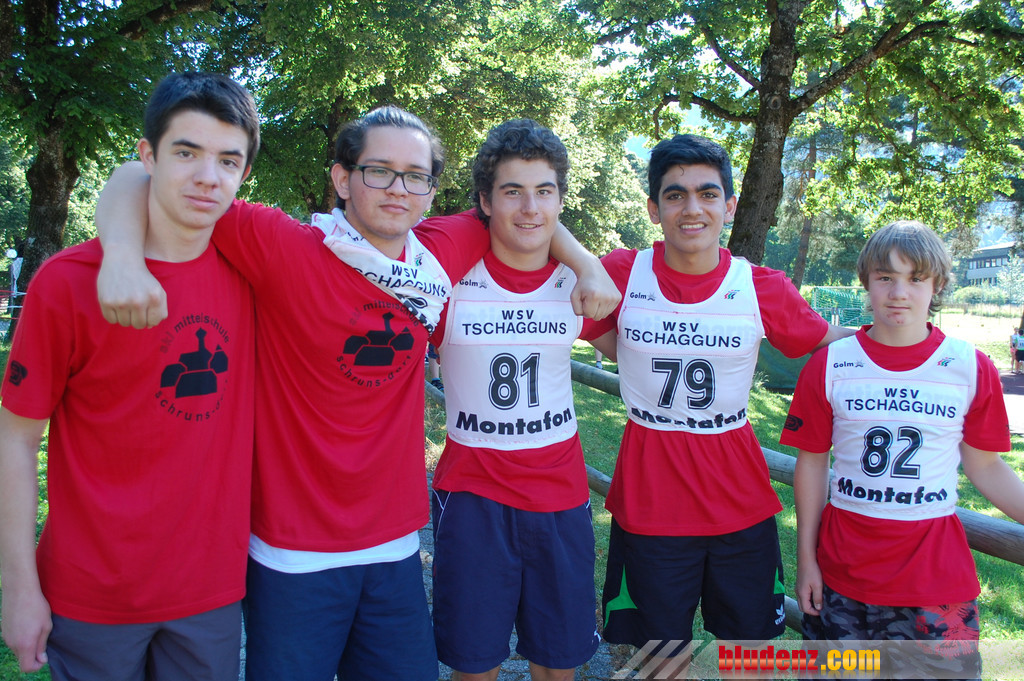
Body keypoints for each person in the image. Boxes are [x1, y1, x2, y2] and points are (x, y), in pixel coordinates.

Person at [93, 106, 618, 681]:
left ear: (430, 191)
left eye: (415, 176)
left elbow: (530, 211)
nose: (398, 189)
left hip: (395, 547)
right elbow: (140, 173)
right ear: (342, 179)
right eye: (378, 171)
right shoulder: (285, 245)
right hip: (293, 551)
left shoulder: (437, 252)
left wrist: (587, 263)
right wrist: (121, 257)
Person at [0, 72, 258, 680]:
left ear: (244, 173)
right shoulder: (66, 283)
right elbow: (15, 440)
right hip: (91, 592)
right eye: (186, 153)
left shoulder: (255, 273)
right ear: (148, 156)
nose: (207, 176)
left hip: (209, 591)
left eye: (228, 160)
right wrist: (19, 588)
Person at [581, 133, 852, 675]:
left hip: (739, 503)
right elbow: (591, 322)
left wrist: (914, 341)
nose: (692, 208)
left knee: (747, 657)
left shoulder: (760, 286)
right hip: (651, 503)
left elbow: (828, 341)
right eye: (675, 195)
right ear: (654, 208)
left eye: (707, 194)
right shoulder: (622, 272)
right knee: (662, 659)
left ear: (729, 206)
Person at [783, 221, 1022, 669]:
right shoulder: (830, 364)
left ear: (938, 285)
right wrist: (806, 560)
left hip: (936, 583)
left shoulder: (970, 367)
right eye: (885, 277)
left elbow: (986, 467)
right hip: (843, 576)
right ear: (866, 282)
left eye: (915, 279)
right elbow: (812, 463)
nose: (899, 293)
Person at [430, 120, 600, 681]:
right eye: (512, 191)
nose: (530, 208)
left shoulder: (579, 282)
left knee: (558, 661)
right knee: (475, 662)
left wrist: (589, 263)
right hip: (473, 495)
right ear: (484, 201)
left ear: (560, 200)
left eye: (544, 191)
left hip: (559, 496)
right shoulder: (448, 279)